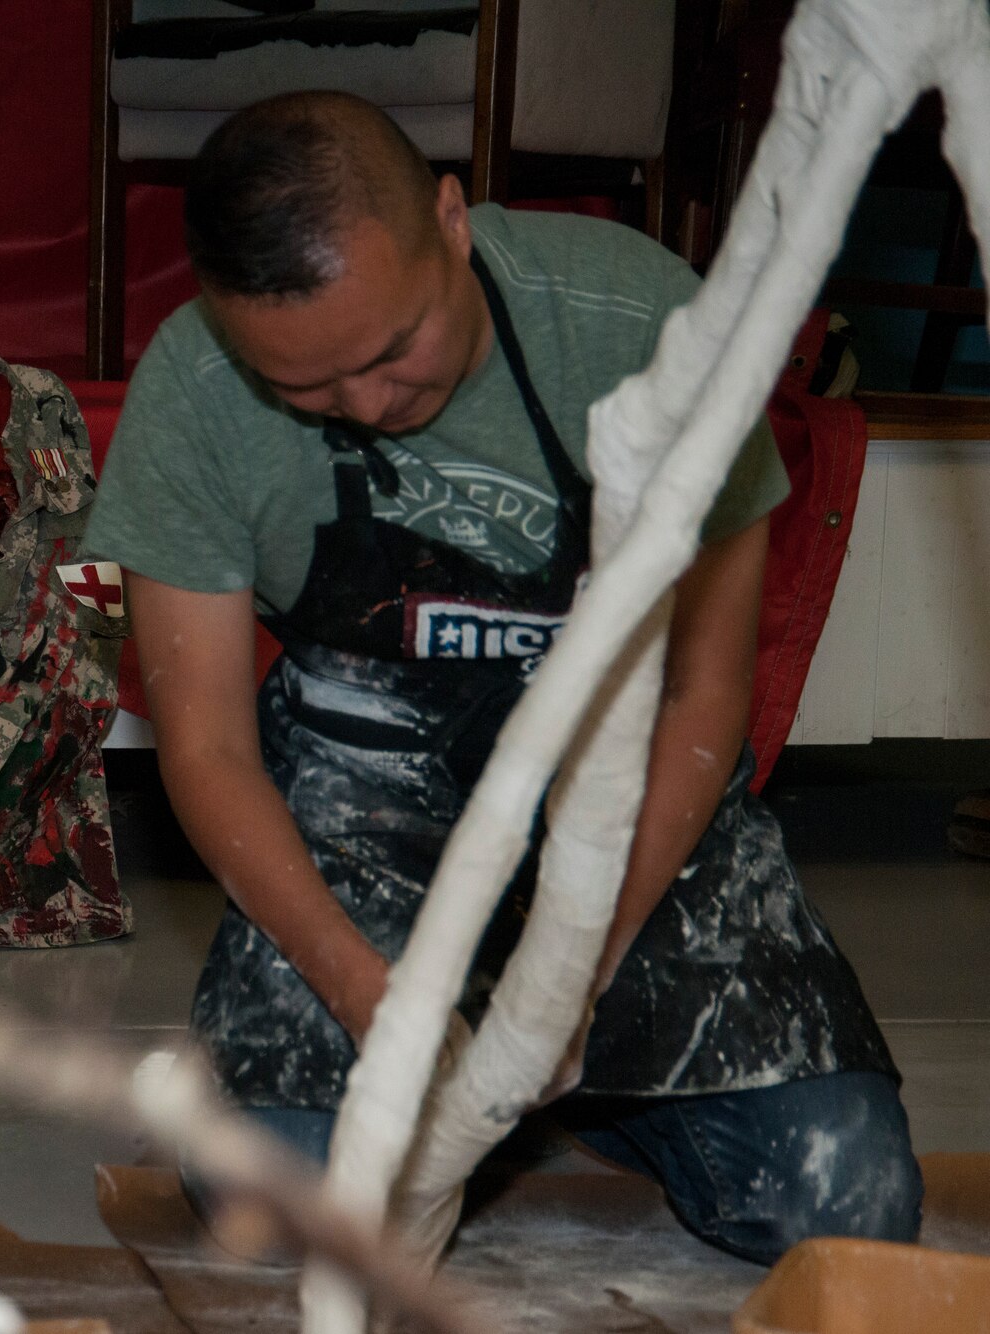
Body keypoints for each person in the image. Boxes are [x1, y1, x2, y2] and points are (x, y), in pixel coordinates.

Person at [83, 90, 921, 1264]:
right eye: (309, 391)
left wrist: (569, 972)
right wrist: (361, 987)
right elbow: (208, 747)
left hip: (622, 808)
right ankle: (494, 1088)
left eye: (391, 349)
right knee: (280, 1207)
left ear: (451, 220)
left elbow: (699, 695)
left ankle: (597, 1094)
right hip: (365, 810)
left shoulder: (644, 327)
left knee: (846, 1204)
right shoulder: (192, 391)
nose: (369, 405)